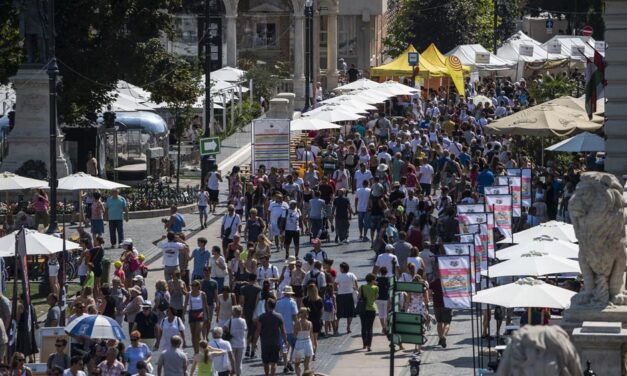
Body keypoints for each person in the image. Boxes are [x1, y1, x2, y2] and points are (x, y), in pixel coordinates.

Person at [255, 299, 289, 376]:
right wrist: (285, 341)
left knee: (265, 362)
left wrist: (254, 342)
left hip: (265, 343)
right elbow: (283, 330)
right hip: (275, 342)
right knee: (274, 362)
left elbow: (258, 330)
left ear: (267, 306)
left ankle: (267, 374)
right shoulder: (279, 316)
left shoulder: (262, 317)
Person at [274, 286, 298, 374]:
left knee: (284, 347)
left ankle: (285, 364)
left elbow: (276, 314)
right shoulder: (292, 302)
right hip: (290, 328)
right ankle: (289, 362)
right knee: (294, 346)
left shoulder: (278, 302)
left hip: (281, 328)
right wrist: (298, 326)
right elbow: (294, 316)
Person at [430, 266, 452, 348]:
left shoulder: (433, 282)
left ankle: (440, 338)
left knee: (439, 322)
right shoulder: (449, 282)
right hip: (447, 305)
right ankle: (443, 337)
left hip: (436, 305)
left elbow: (429, 293)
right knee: (447, 323)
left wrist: (432, 298)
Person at [222, 306, 247, 376]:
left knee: (232, 361)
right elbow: (245, 329)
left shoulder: (230, 320)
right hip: (241, 343)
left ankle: (232, 373)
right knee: (239, 361)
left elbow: (224, 328)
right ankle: (238, 373)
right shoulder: (243, 321)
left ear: (234, 313)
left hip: (232, 343)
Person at [358, 273, 378, 352]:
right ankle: (369, 345)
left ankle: (364, 344)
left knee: (363, 326)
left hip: (363, 309)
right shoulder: (376, 288)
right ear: (372, 280)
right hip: (371, 309)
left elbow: (359, 297)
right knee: (370, 327)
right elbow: (376, 297)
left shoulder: (362, 287)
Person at [302, 284, 323, 359]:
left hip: (308, 321)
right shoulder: (319, 300)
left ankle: (308, 353)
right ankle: (314, 354)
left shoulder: (305, 300)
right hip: (316, 321)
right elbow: (321, 311)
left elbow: (302, 310)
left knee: (308, 339)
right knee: (315, 339)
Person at [292, 307, 314, 376]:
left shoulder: (297, 323)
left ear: (300, 314)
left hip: (300, 343)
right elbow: (311, 335)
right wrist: (313, 344)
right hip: (308, 343)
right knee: (306, 364)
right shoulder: (310, 323)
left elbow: (295, 335)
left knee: (297, 364)